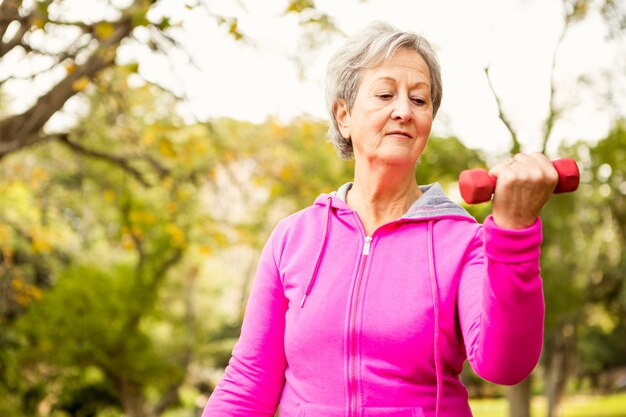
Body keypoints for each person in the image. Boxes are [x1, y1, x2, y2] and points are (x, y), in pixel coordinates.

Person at [201, 21, 558, 417]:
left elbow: (505, 366)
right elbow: (249, 380)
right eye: (385, 94)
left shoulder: (463, 241)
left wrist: (515, 232)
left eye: (419, 101)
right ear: (344, 116)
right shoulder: (293, 238)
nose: (404, 111)